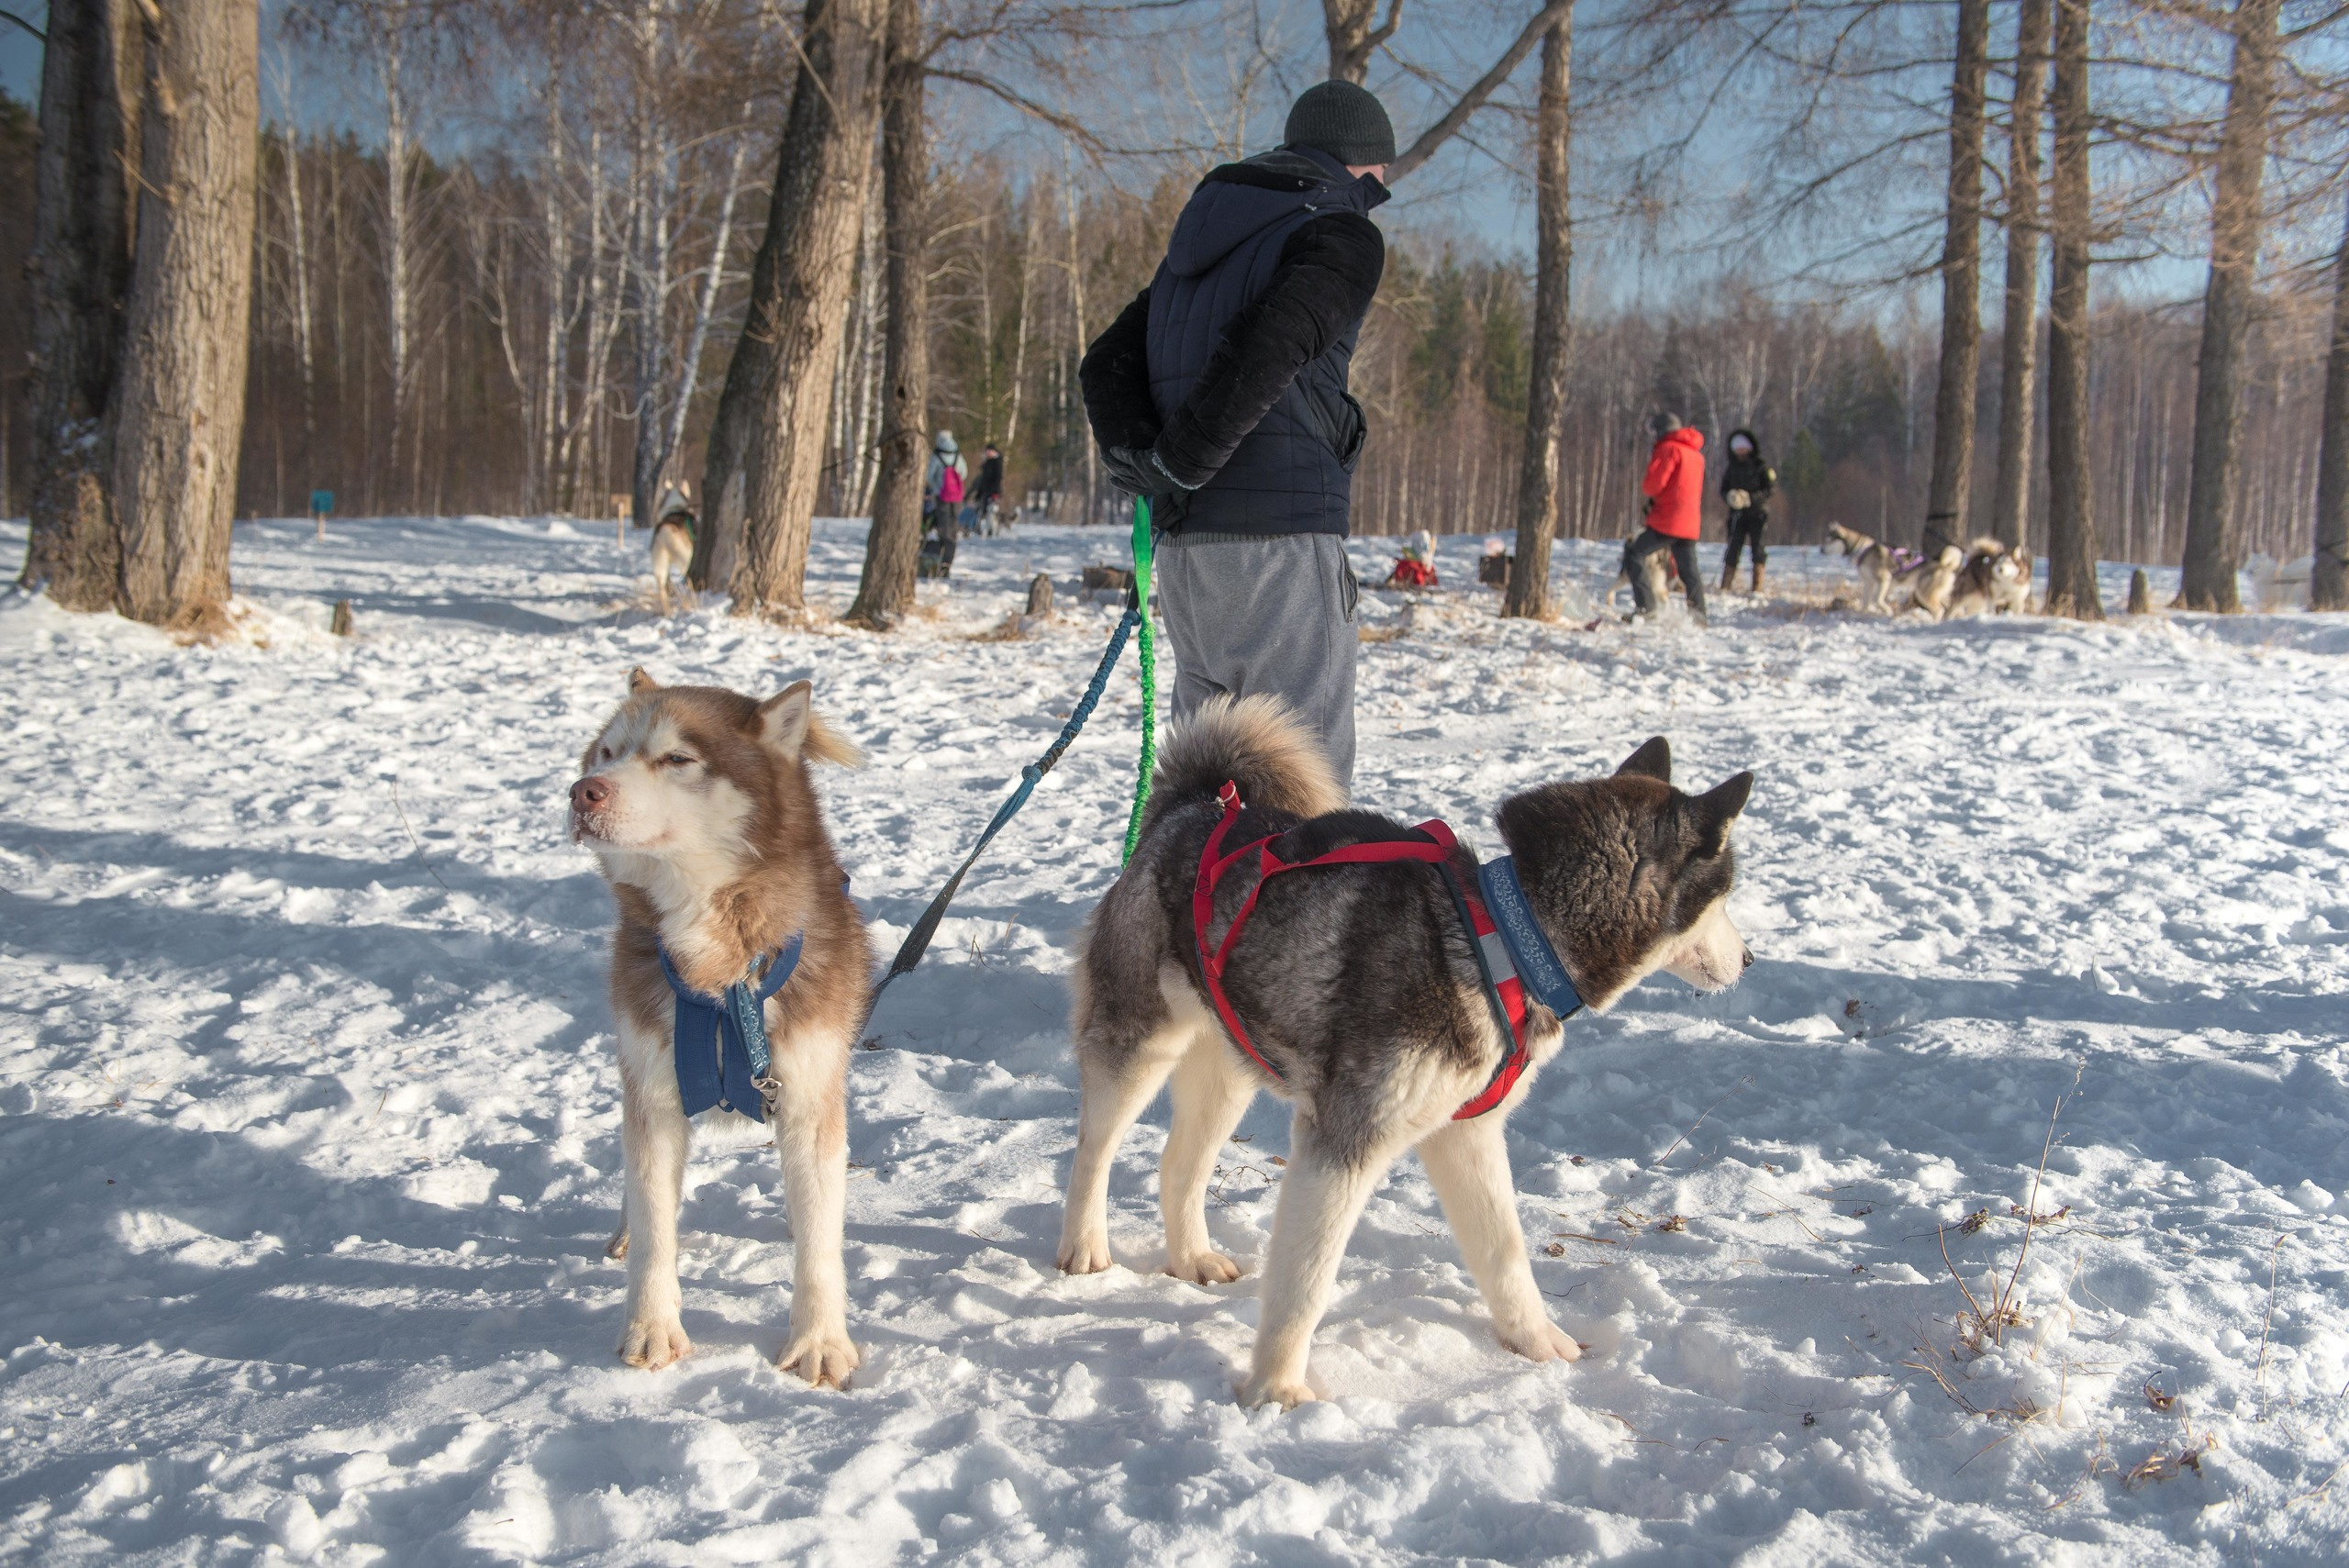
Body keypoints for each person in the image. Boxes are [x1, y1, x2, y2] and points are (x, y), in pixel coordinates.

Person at [1079, 79, 1392, 787]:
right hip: (1281, 545)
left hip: (1188, 558)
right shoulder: (1341, 231)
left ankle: (1196, 870)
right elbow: (1273, 341)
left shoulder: (1199, 246)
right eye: (1381, 178)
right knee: (1302, 786)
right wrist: (1182, 462)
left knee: (1205, 786)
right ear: (1361, 163)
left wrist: (1150, 465)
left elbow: (1105, 360)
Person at [1625, 412, 1708, 625]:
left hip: (1668, 519)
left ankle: (1646, 607)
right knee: (1689, 570)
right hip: (1690, 522)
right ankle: (1699, 616)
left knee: (1634, 553)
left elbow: (1653, 485)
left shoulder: (1668, 449)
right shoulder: (1695, 454)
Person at [1717, 428, 1776, 594]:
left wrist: (1750, 498)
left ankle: (1757, 586)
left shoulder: (1760, 466)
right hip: (1737, 515)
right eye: (1737, 448)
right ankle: (1725, 585)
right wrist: (1730, 497)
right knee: (1733, 547)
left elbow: (1769, 490)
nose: (1740, 451)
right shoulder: (1731, 467)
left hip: (1758, 513)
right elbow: (1723, 489)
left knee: (1758, 548)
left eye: (1743, 447)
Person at [925, 430, 967, 568]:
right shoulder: (957, 455)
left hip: (941, 496)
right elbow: (964, 473)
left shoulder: (937, 456)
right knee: (953, 526)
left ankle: (943, 559)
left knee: (944, 527)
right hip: (957, 496)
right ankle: (949, 558)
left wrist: (936, 485)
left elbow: (929, 476)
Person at [970, 443, 1005, 535]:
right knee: (983, 511)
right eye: (987, 451)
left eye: (990, 451)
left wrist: (996, 492)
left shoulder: (997, 462)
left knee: (992, 512)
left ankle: (994, 530)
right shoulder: (987, 463)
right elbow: (983, 480)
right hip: (985, 491)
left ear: (994, 451)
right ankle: (982, 529)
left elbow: (998, 478)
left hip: (993, 491)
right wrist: (979, 493)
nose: (988, 453)